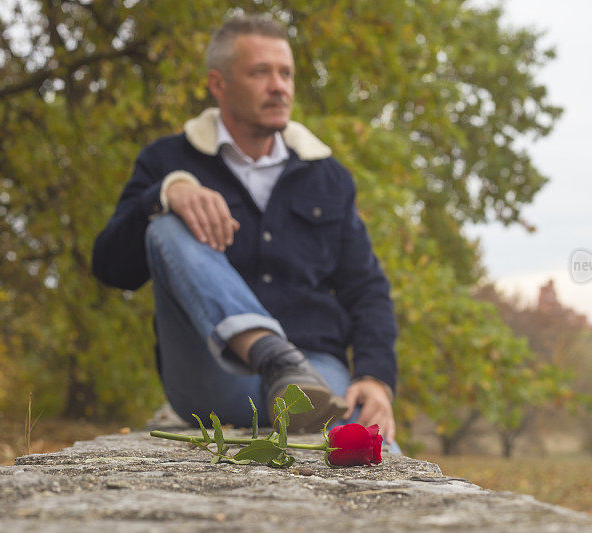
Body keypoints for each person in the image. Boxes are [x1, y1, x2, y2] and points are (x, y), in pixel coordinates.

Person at [91, 15, 397, 443]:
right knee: (164, 228)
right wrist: (163, 194)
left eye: (286, 73)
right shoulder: (166, 159)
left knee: (372, 445)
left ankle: (292, 370)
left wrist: (375, 376)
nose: (279, 86)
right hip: (211, 374)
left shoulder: (328, 176)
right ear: (219, 84)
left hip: (313, 371)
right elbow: (110, 267)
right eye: (261, 72)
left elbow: (366, 289)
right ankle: (273, 357)